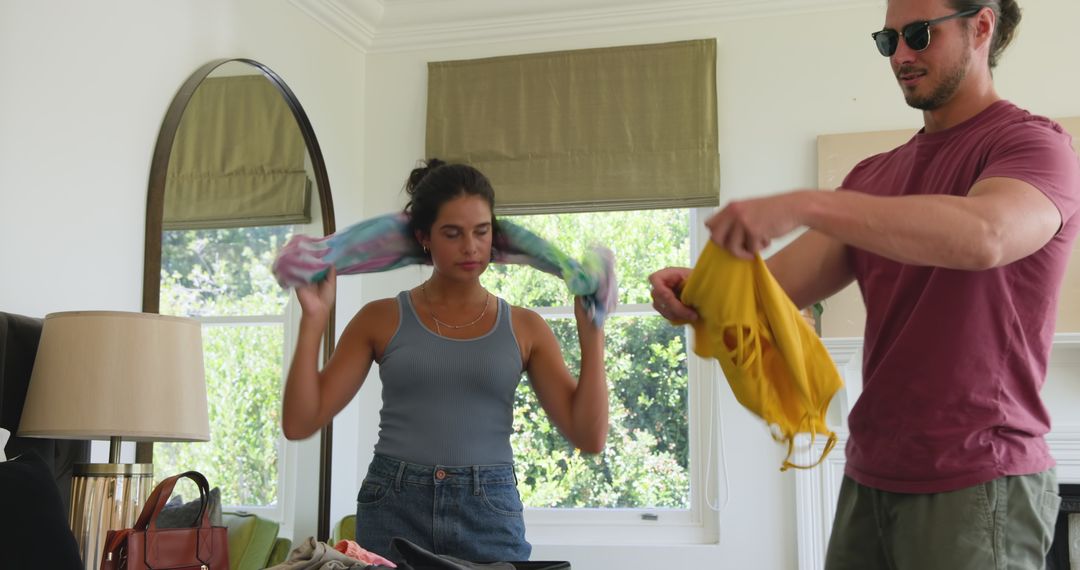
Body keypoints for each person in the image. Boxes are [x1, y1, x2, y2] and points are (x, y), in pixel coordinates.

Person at [649, 0, 1079, 568]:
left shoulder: (1032, 147)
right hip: (870, 475)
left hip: (979, 477)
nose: (901, 54)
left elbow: (986, 236)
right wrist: (699, 295)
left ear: (981, 27)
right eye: (888, 40)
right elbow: (771, 296)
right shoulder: (872, 178)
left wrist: (810, 204)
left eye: (920, 35)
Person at [282, 159, 609, 563]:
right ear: (424, 237)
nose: (470, 247)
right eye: (452, 234)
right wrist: (314, 319)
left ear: (495, 237)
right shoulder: (379, 319)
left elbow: (588, 436)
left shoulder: (527, 327)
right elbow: (299, 422)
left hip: (488, 512)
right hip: (393, 507)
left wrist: (592, 332)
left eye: (481, 232)